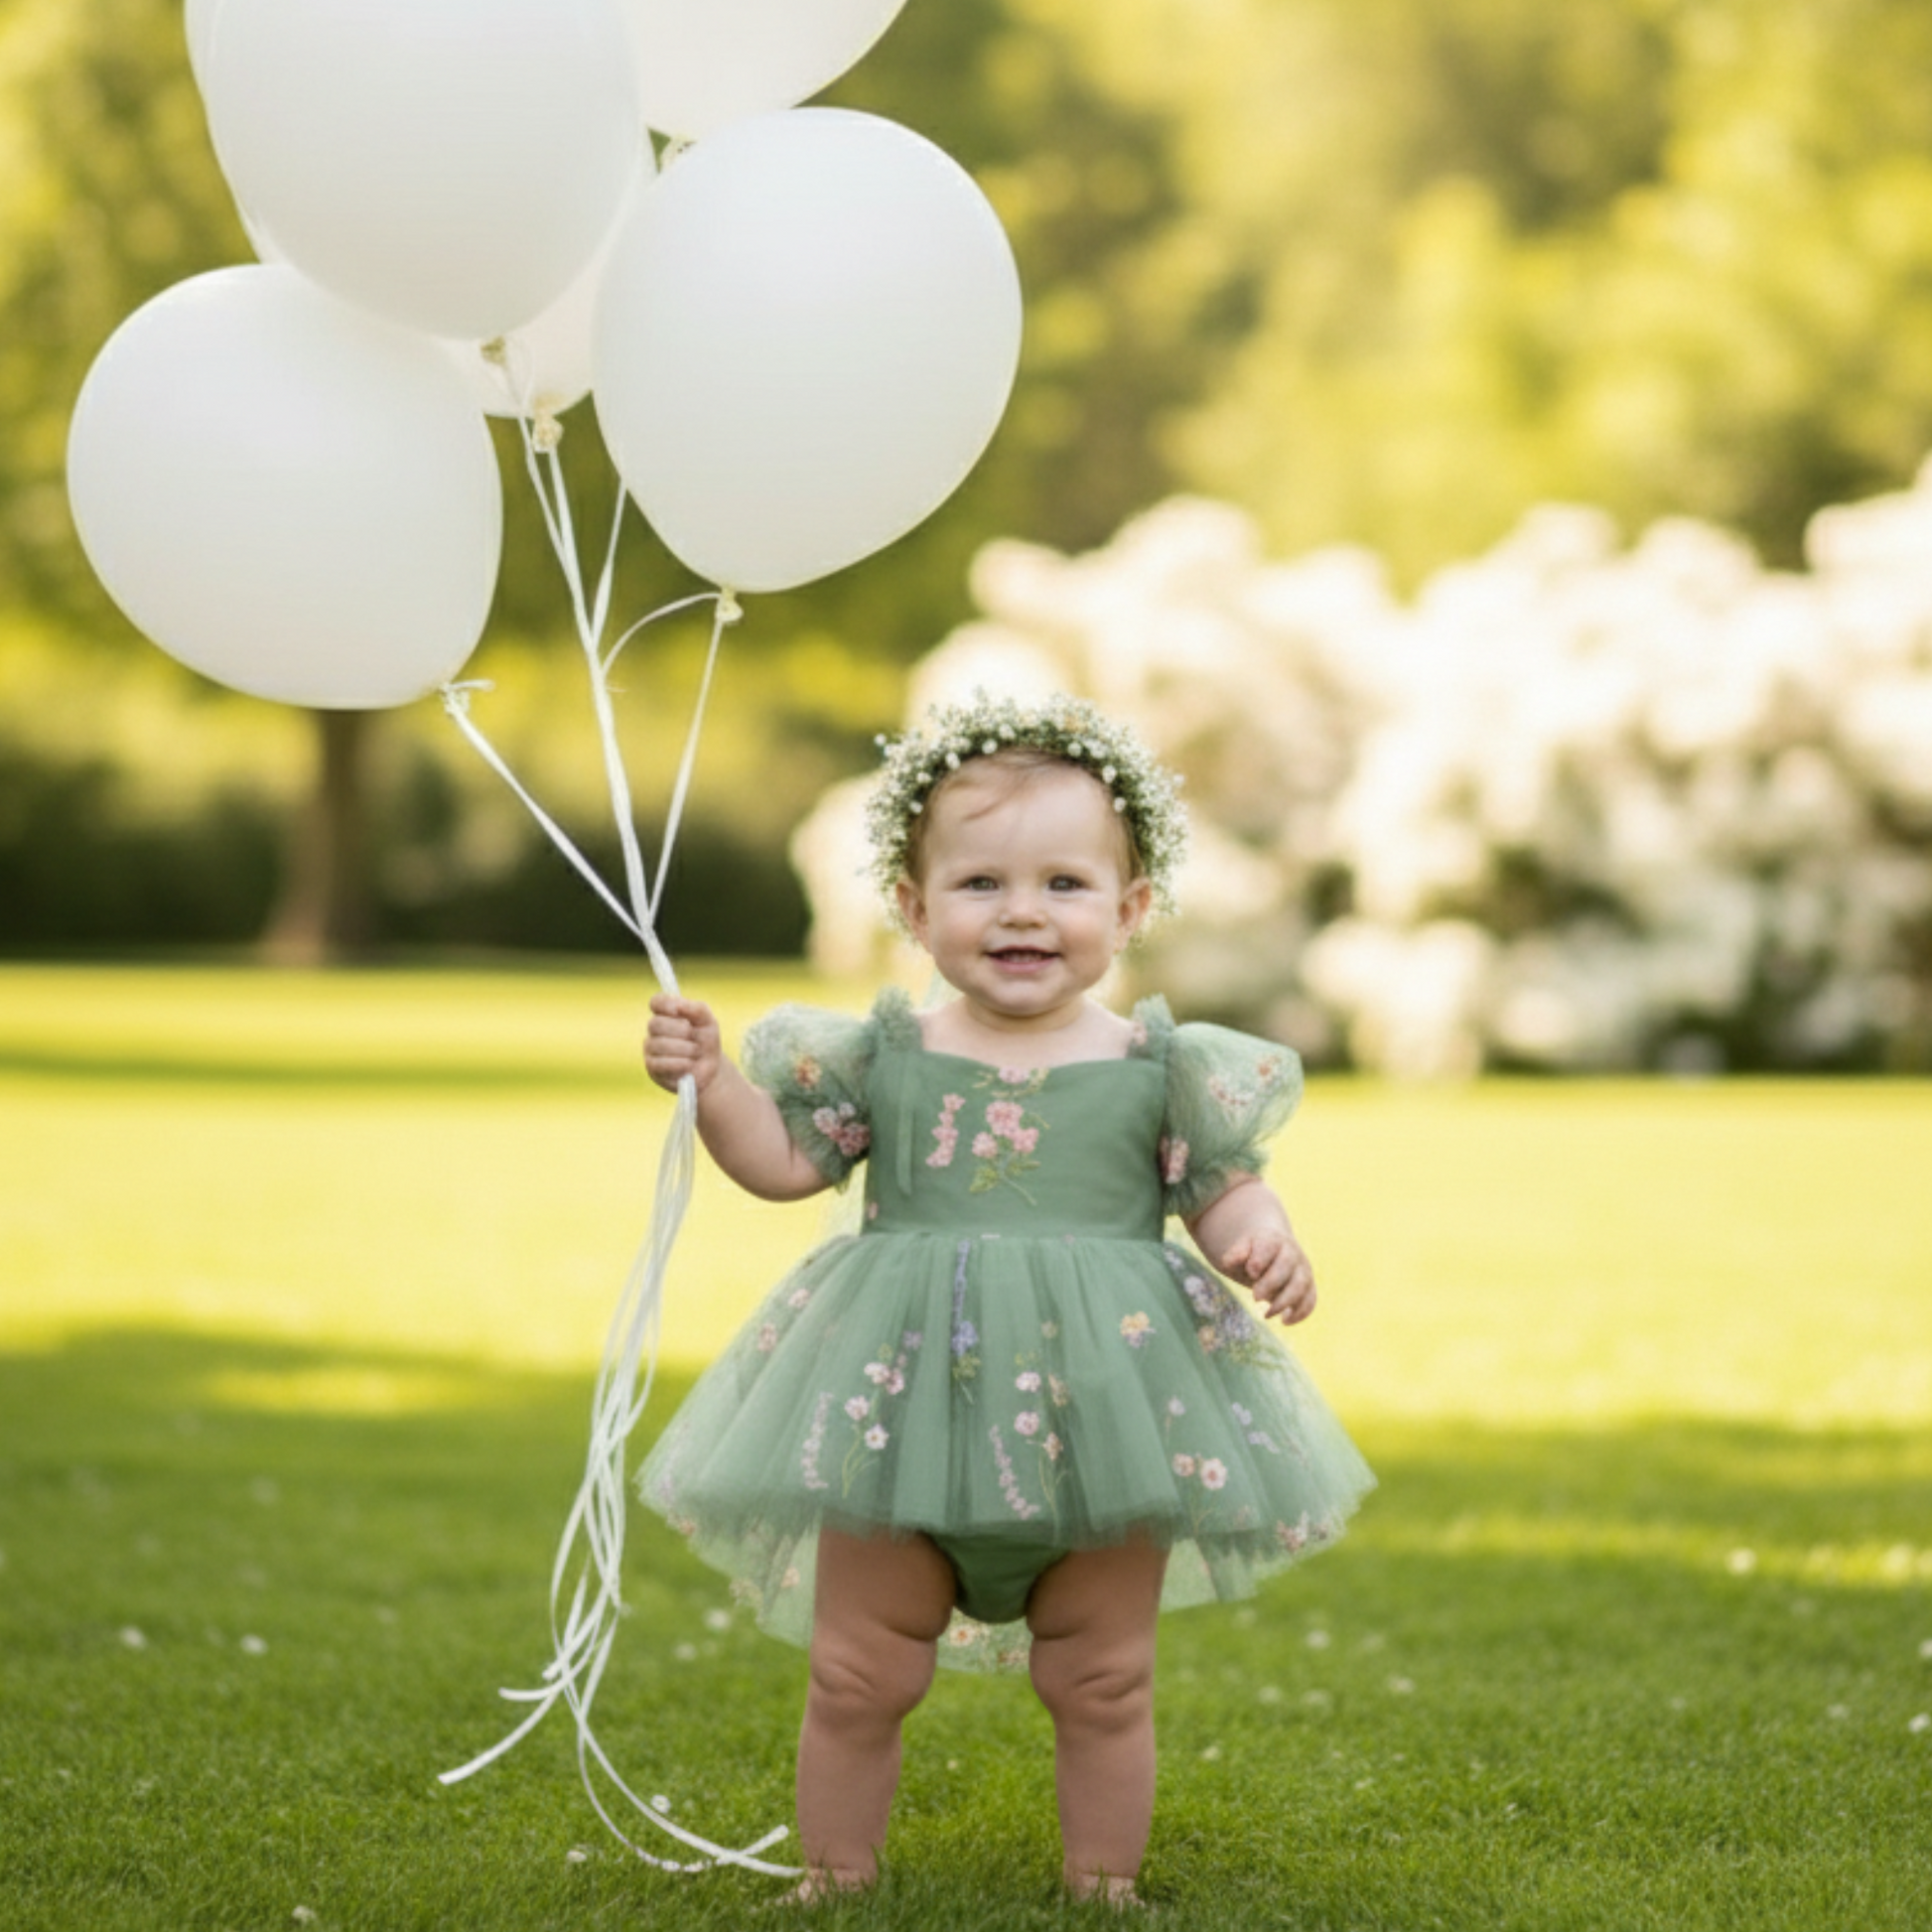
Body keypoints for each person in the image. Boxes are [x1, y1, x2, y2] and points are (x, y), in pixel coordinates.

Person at [641, 693, 1373, 1906]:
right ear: (914, 908)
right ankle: (834, 1873)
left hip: (1106, 1418)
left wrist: (1263, 1241)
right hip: (896, 1407)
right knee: (856, 1670)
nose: (1022, 910)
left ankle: (1103, 1883)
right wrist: (713, 1081)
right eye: (979, 882)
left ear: (1128, 909)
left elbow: (1222, 1189)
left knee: (1102, 1674)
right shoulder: (885, 1050)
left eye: (1064, 884)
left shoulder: (1157, 1066)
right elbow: (780, 1162)